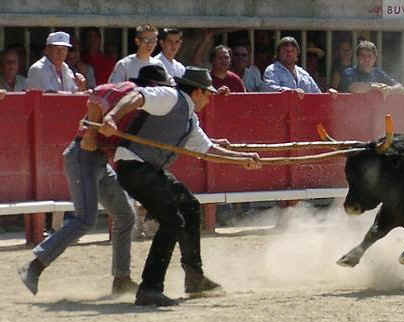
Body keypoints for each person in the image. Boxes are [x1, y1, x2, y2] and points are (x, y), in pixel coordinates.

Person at [98, 66, 261, 306]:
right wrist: (112, 116)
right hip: (134, 166)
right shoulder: (170, 96)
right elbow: (137, 96)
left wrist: (242, 160)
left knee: (190, 207)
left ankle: (194, 277)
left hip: (148, 169)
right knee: (172, 221)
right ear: (196, 92)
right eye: (208, 93)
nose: (209, 98)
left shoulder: (189, 118)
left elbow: (208, 150)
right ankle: (150, 288)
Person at [17, 65, 173, 297]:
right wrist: (90, 132)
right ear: (153, 88)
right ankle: (34, 266)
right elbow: (98, 95)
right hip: (83, 156)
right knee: (84, 219)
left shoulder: (140, 104)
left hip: (98, 160)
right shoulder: (130, 92)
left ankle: (121, 279)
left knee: (125, 215)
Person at [338, 40, 404, 96]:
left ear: (375, 58)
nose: (366, 59)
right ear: (357, 58)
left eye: (370, 56)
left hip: (374, 110)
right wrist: (373, 86)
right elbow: (353, 88)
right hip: (349, 110)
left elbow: (401, 88)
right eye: (363, 56)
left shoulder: (378, 72)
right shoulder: (348, 72)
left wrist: (389, 89)